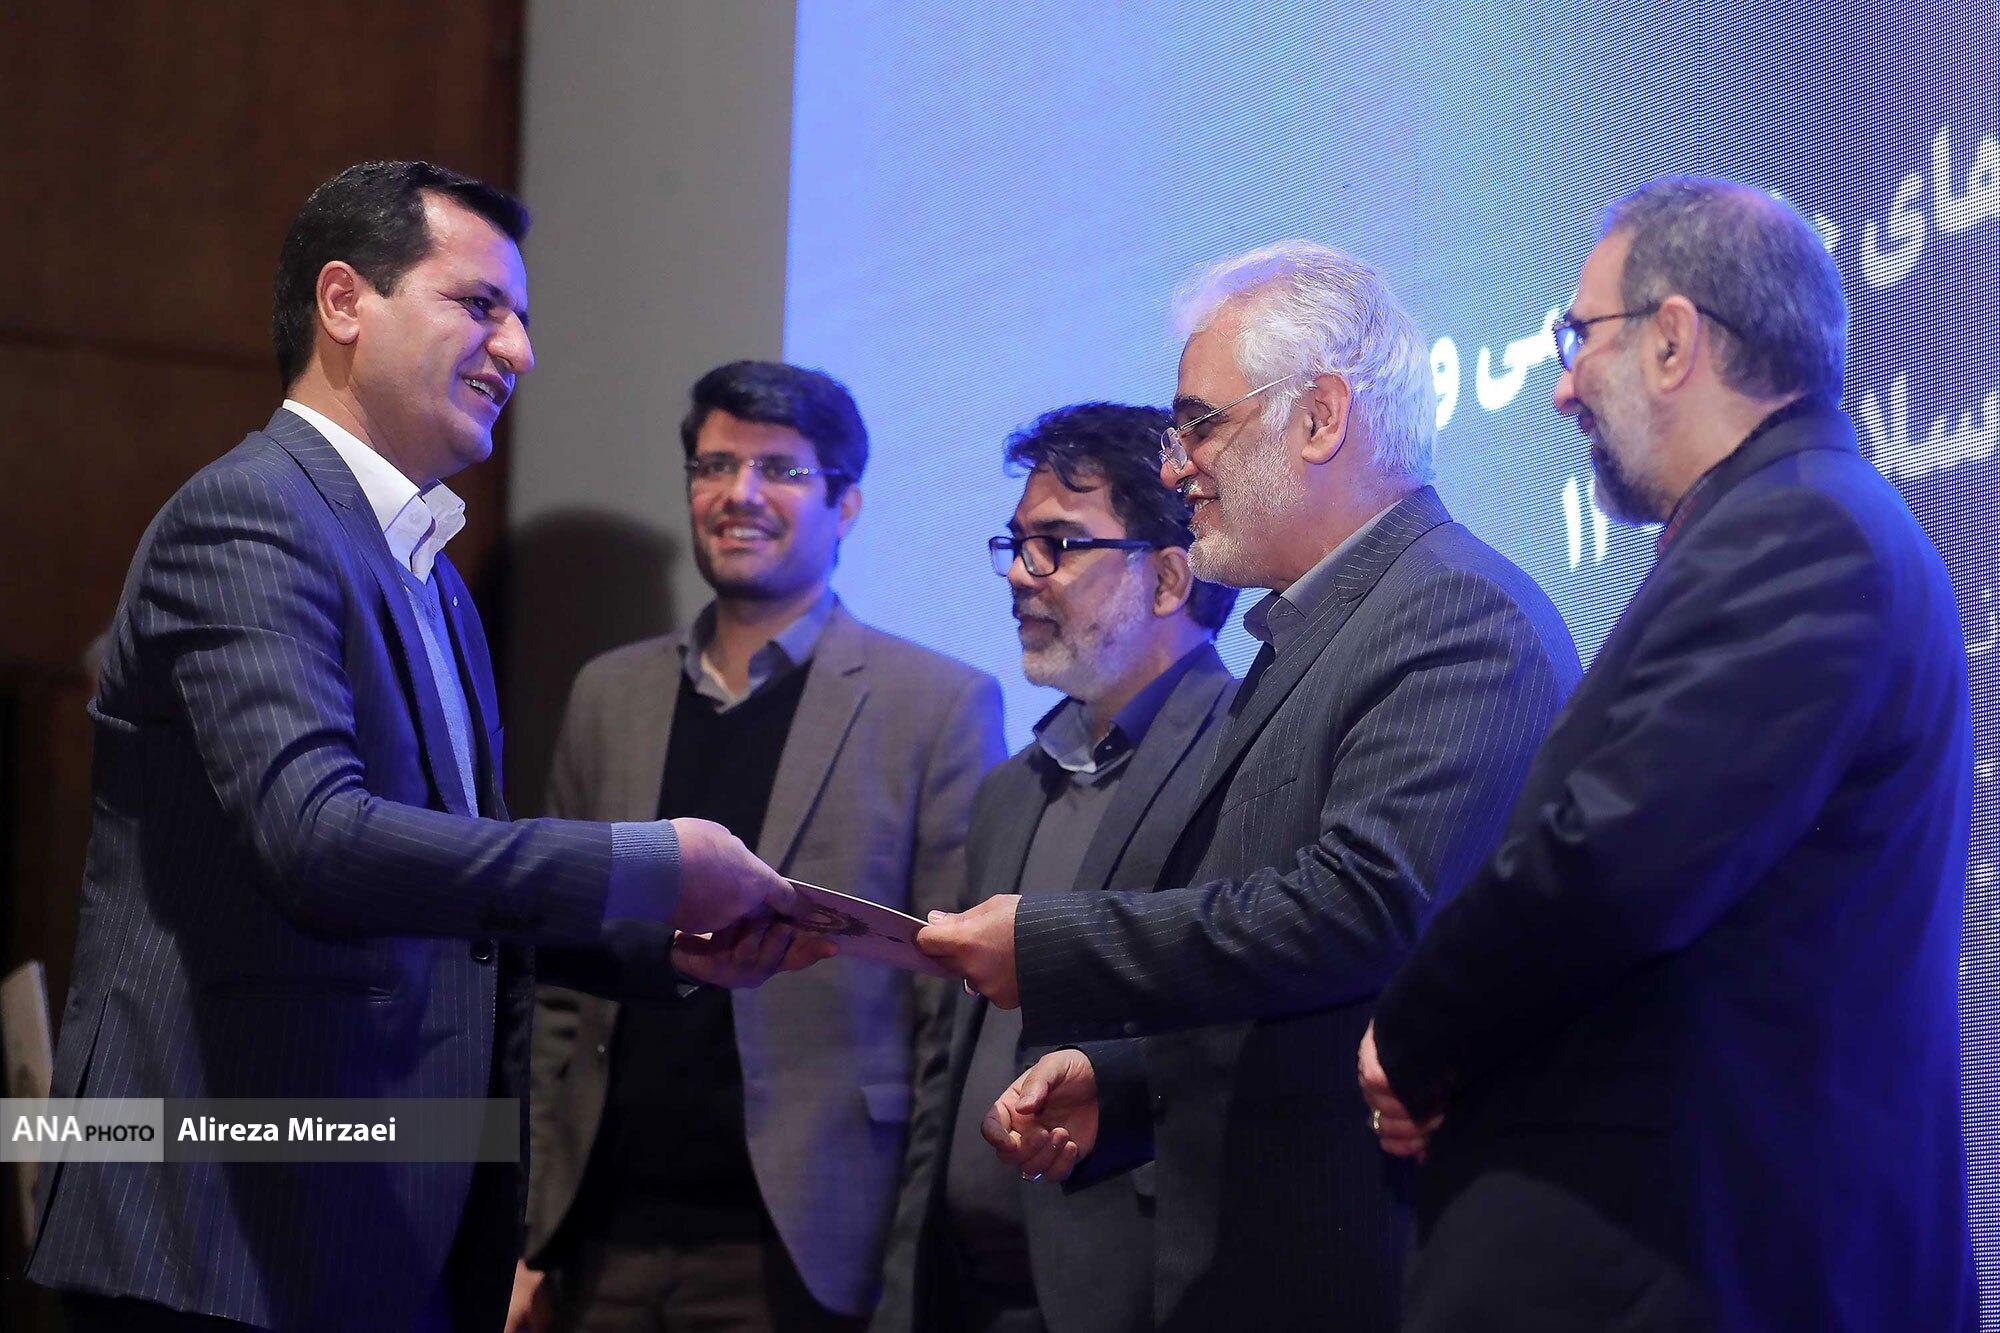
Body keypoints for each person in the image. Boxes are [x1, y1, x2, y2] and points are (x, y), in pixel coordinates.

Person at [27, 162, 820, 1333]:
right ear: (343, 301)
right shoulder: (250, 513)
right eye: (480, 305)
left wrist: (657, 939)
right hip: (216, 1230)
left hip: (369, 1221)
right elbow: (316, 841)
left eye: (523, 319)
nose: (520, 351)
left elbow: (443, 880)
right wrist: (648, 860)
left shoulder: (429, 576)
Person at [918, 242, 1580, 1330]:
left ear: (1320, 417)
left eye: (1199, 425)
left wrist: (1046, 943)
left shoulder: (1455, 614)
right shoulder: (1312, 632)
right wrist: (1130, 1086)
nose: (1176, 467)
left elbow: (1359, 913)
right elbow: (1287, 1012)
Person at [1359, 177, 1978, 1331]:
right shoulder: (1798, 520)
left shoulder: (1802, 530)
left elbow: (1610, 863)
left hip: (1704, 1259)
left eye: (1576, 337)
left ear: (1671, 338)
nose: (1558, 386)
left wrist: (1412, 1033)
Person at [511, 361, 1005, 1333]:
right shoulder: (607, 693)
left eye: (779, 469)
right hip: (596, 1238)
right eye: (714, 465)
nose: (739, 493)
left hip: (806, 1252)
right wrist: (526, 1229)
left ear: (845, 503)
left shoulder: (937, 704)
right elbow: (554, 984)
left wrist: (907, 1277)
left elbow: (946, 1021)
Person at [872, 404, 1239, 1333]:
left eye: (1058, 546)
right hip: (966, 1293)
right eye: (1015, 543)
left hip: (1135, 1293)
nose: (1018, 574)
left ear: (1168, 576)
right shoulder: (1012, 787)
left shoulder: (1245, 757)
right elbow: (945, 1066)